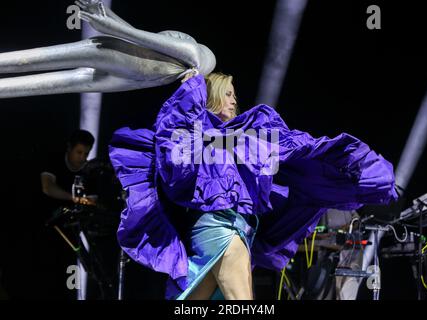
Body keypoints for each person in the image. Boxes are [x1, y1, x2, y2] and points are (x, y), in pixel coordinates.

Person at [109, 72, 399, 300]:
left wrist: (338, 168)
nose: (235, 101)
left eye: (235, 95)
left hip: (243, 230)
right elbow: (175, 152)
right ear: (212, 96)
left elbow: (288, 149)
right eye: (228, 94)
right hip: (218, 229)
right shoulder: (200, 137)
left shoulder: (243, 138)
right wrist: (191, 88)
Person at [0, 0, 215, 98]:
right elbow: (139, 38)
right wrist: (108, 19)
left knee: (49, 80)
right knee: (34, 63)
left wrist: (109, 25)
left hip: (126, 74)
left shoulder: (193, 52)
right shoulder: (183, 62)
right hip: (124, 63)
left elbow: (139, 37)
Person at [40, 129, 96, 208]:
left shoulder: (90, 171)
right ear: (69, 147)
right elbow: (48, 188)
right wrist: (74, 198)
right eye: (79, 152)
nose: (83, 158)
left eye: (86, 154)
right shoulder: (53, 160)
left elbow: (93, 199)